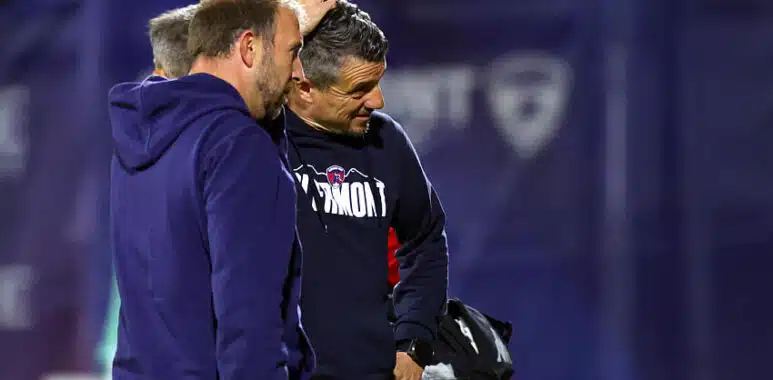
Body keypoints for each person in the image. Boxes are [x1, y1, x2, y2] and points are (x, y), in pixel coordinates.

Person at [107, 1, 312, 378]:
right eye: (293, 52)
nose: (299, 73)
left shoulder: (146, 132)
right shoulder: (239, 147)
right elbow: (248, 327)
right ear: (249, 48)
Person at [286, 2, 449, 379]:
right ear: (305, 86)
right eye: (360, 89)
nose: (377, 101)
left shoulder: (385, 141)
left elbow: (426, 242)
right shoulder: (256, 141)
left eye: (378, 83)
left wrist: (414, 342)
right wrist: (280, 14)